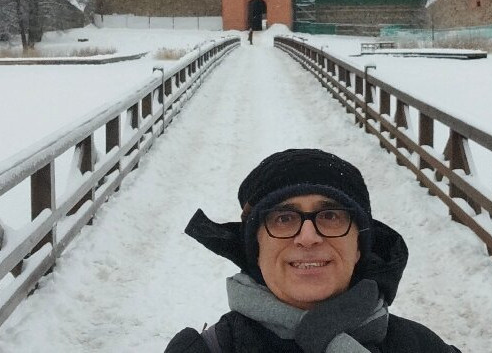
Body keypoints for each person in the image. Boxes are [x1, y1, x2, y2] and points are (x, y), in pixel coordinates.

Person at [166, 148, 462, 353]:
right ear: (255, 248)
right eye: (283, 218)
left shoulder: (421, 346)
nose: (308, 237)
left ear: (359, 246)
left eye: (330, 216)